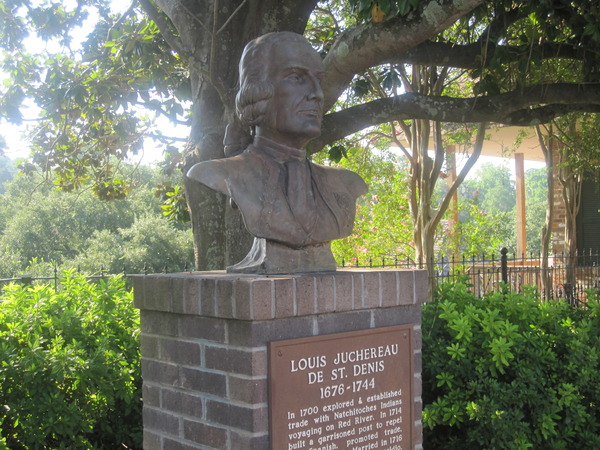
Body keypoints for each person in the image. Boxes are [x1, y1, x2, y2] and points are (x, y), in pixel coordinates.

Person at [187, 32, 367, 273]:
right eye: (296, 77)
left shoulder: (346, 183)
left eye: (318, 81)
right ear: (256, 90)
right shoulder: (218, 173)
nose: (317, 94)